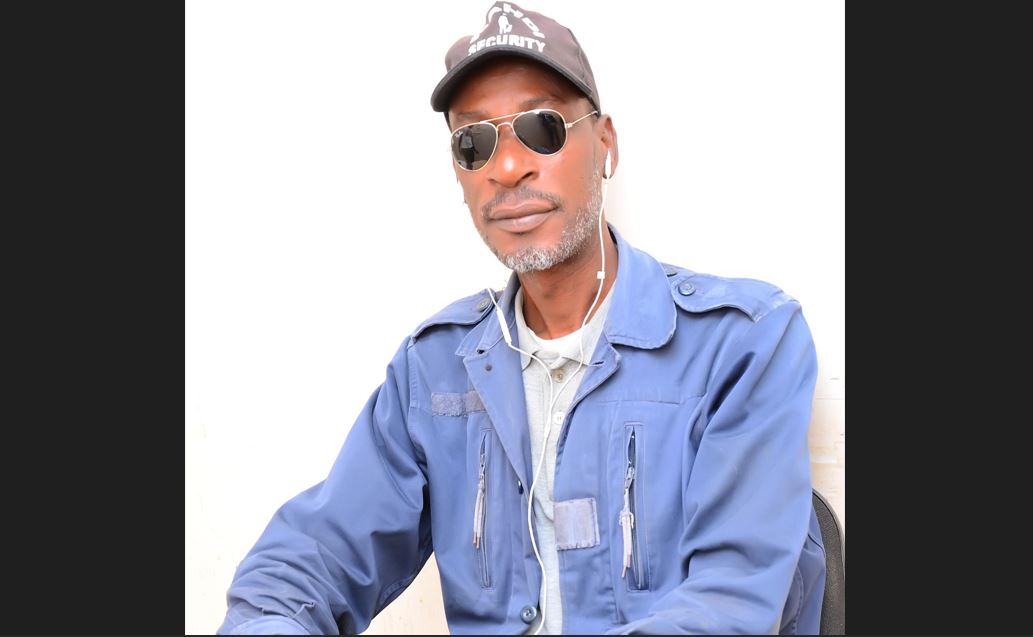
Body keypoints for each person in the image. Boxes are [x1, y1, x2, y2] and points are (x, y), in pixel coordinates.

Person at [217, 2, 826, 634]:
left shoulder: (744, 344)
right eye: (474, 142)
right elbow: (303, 568)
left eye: (542, 128)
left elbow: (729, 608)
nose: (508, 168)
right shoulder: (436, 371)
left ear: (605, 144)